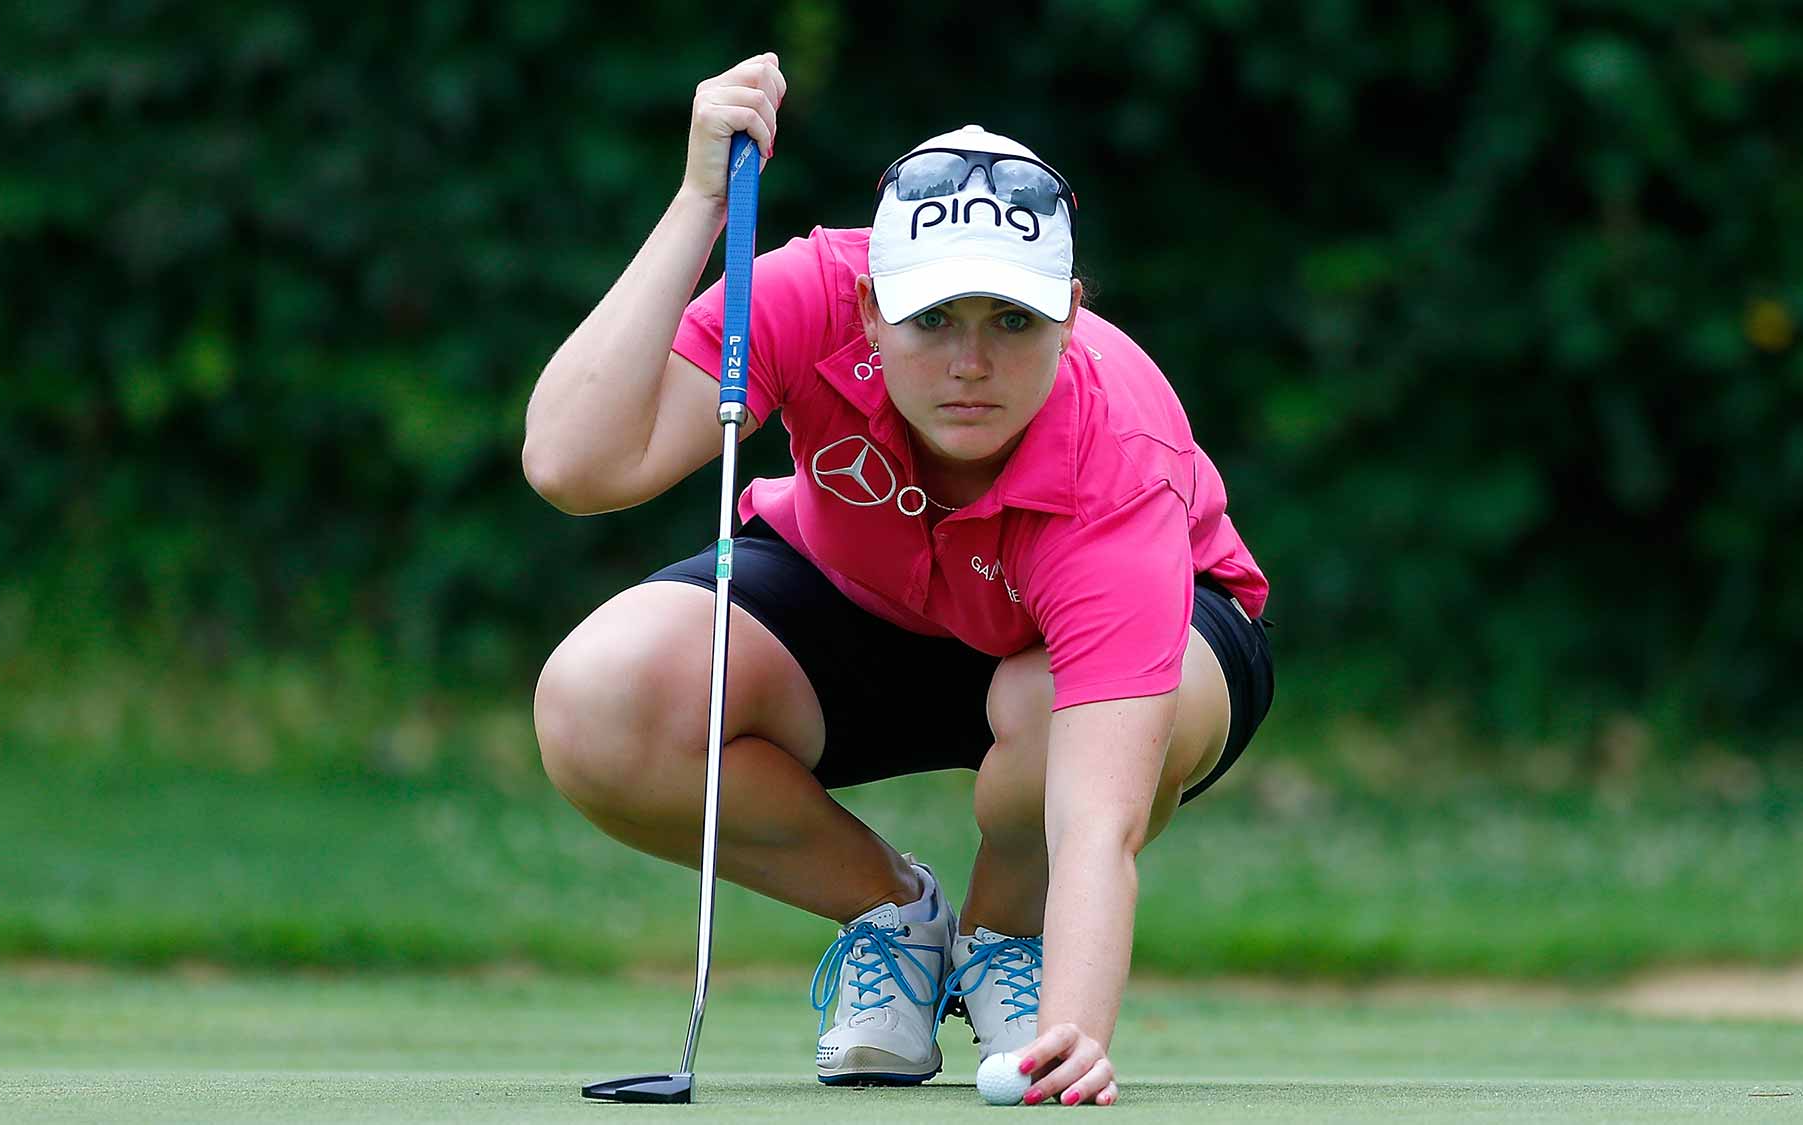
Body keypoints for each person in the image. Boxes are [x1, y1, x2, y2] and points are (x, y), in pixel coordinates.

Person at [524, 52, 1273, 1108]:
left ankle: (1007, 942)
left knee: (1043, 704)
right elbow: (573, 463)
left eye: (1011, 322)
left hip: (1141, 635)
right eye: (932, 321)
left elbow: (1096, 824)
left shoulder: (1119, 463)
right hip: (866, 588)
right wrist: (699, 199)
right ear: (870, 309)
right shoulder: (804, 294)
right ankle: (897, 918)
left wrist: (1073, 1030)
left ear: (1069, 312)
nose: (970, 364)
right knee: (599, 701)